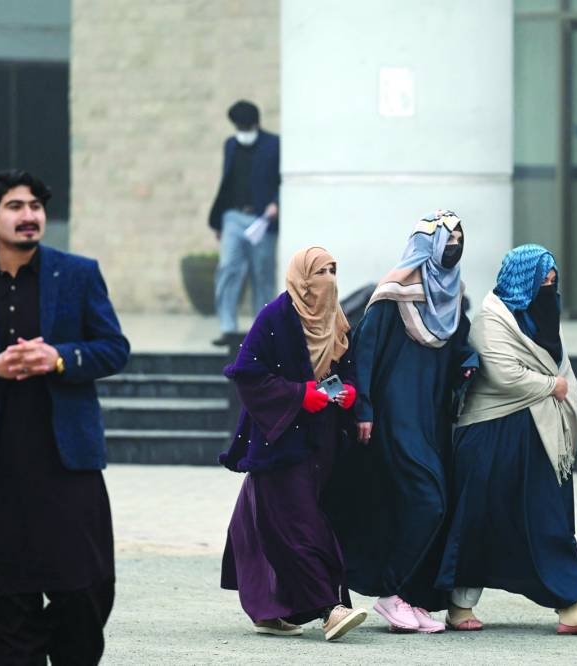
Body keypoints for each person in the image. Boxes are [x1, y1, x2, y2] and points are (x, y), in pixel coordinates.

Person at [0, 169, 130, 664]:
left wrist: (59, 359)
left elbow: (113, 349)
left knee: (86, 587)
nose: (29, 215)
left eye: (36, 206)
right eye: (16, 206)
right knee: (2, 595)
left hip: (68, 463)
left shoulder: (78, 273)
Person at [435, 245, 577, 635]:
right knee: (479, 523)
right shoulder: (490, 321)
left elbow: (563, 366)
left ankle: (571, 609)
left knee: (549, 519)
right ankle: (458, 606)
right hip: (490, 436)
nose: (548, 291)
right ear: (521, 281)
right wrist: (554, 386)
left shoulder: (544, 319)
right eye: (541, 283)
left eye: (553, 283)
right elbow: (505, 374)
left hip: (540, 439)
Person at [329, 210, 476, 634]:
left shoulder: (452, 297)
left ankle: (410, 597)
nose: (455, 245)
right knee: (428, 499)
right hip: (395, 417)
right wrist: (364, 410)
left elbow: (458, 347)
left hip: (431, 418)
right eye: (448, 238)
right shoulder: (392, 295)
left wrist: (469, 362)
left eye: (460, 237)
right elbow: (365, 354)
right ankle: (392, 594)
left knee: (430, 502)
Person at [218, 246, 368, 641]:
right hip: (277, 441)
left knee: (265, 523)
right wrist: (300, 394)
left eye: (334, 270)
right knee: (300, 526)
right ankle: (329, 610)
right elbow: (247, 373)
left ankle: (269, 608)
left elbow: (348, 368)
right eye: (321, 271)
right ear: (301, 277)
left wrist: (350, 394)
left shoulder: (336, 319)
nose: (329, 279)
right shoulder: (276, 316)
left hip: (320, 444)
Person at [208, 100, 281, 345]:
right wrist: (219, 222)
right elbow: (226, 183)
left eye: (245, 125)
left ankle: (262, 331)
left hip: (263, 220)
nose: (242, 130)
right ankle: (228, 328)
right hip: (233, 217)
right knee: (228, 268)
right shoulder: (230, 145)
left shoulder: (274, 145)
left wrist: (276, 203)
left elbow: (284, 179)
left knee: (262, 274)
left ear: (256, 123)